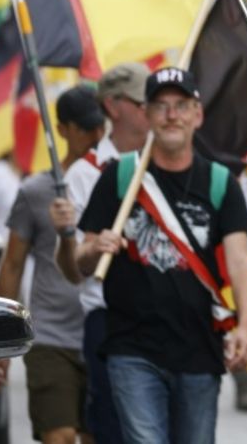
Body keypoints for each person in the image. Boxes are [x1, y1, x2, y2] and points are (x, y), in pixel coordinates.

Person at [75, 67, 247, 444]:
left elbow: (240, 260)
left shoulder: (220, 182)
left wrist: (246, 327)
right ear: (147, 115)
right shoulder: (119, 177)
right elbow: (80, 260)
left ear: (197, 114)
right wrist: (95, 248)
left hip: (199, 350)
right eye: (161, 106)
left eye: (181, 105)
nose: (172, 115)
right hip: (132, 347)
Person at [0, 85, 103, 444]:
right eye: (85, 127)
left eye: (99, 126)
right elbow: (12, 266)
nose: (95, 136)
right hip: (51, 338)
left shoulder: (116, 183)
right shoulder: (35, 192)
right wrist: (0, 343)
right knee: (60, 436)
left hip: (102, 334)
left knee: (93, 435)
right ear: (64, 129)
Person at [58, 61, 152, 444]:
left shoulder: (166, 164)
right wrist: (83, 243)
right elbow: (73, 266)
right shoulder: (84, 173)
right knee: (113, 429)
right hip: (108, 320)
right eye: (146, 103)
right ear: (114, 107)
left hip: (162, 319)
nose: (156, 111)